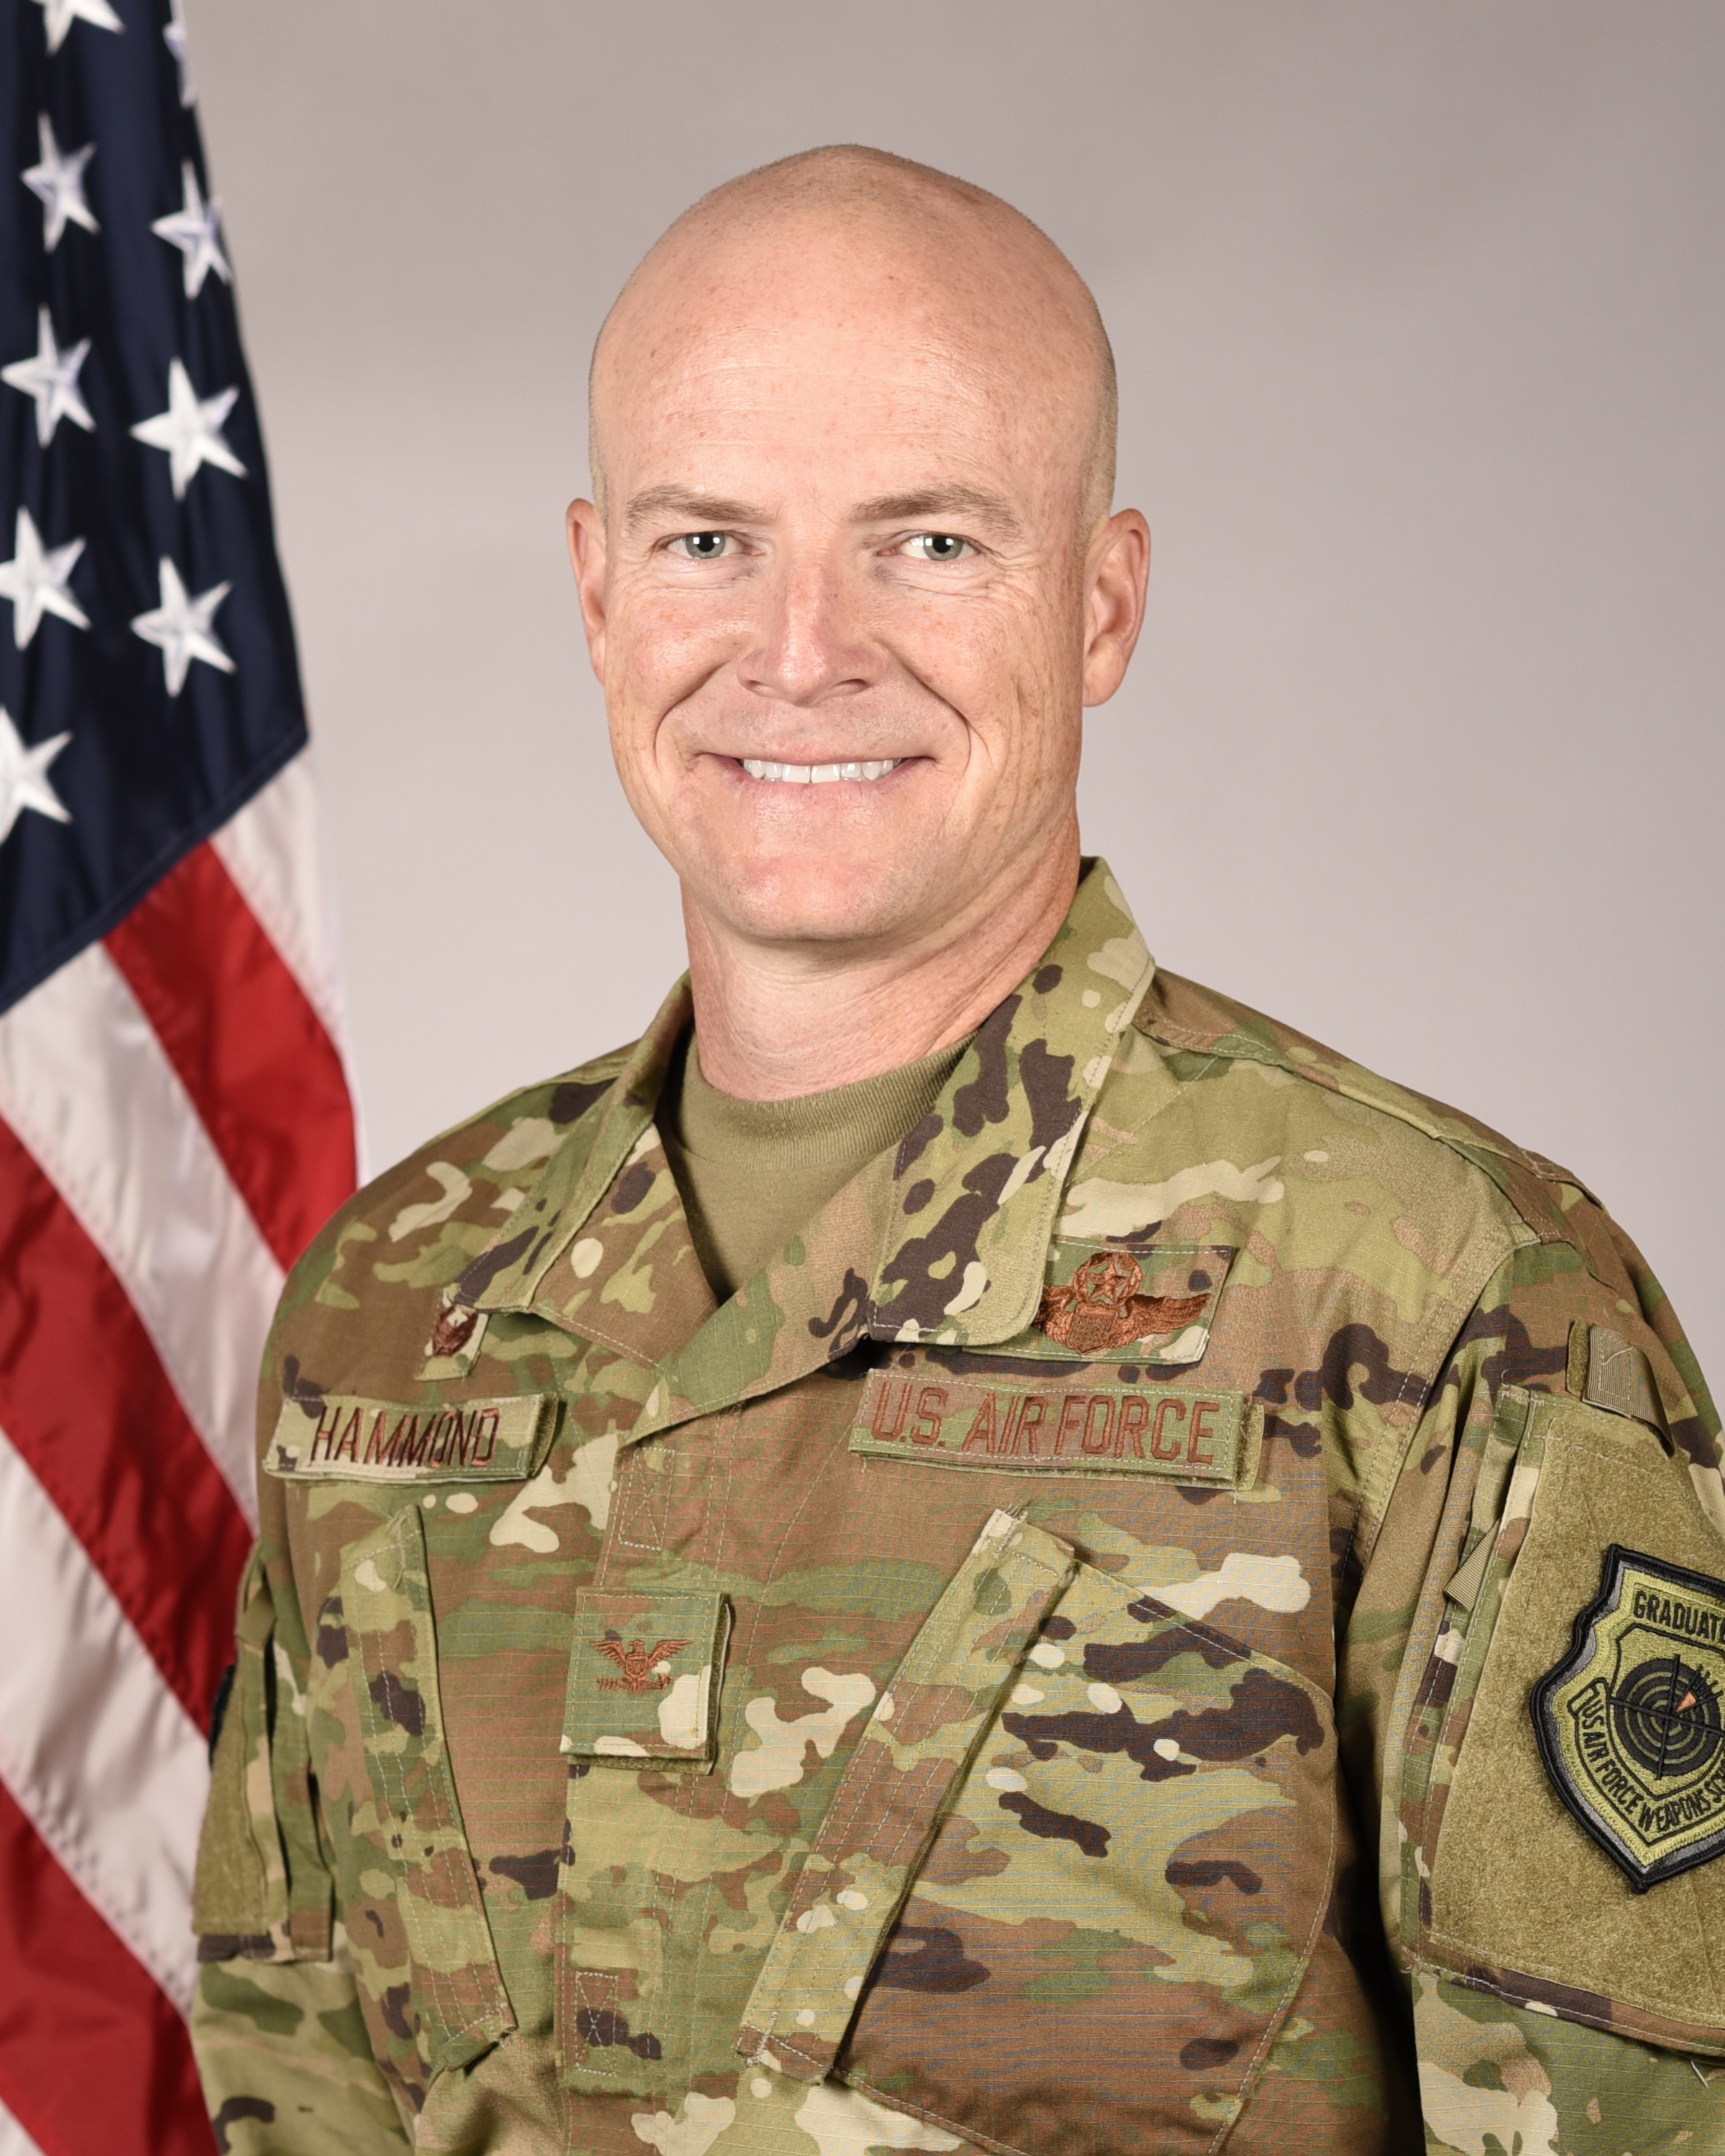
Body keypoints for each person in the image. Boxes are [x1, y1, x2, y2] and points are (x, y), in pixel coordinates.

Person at [188, 146, 1725, 2155]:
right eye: (709, 540)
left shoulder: (1438, 1296)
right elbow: (289, 2084)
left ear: (1102, 604)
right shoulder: (398, 1307)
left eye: (926, 543)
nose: (801, 650)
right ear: (596, 591)